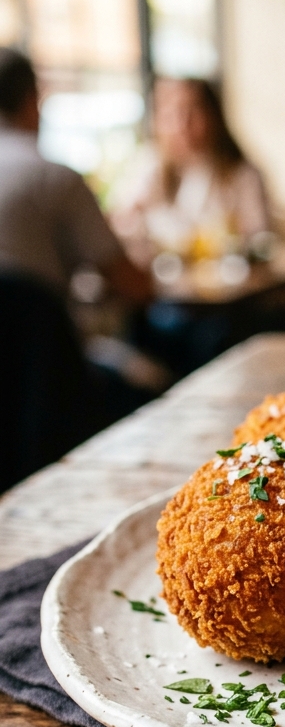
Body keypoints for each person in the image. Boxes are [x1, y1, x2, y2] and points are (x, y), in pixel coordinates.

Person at [0, 48, 152, 492]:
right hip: (48, 393)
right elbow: (134, 285)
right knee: (146, 387)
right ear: (33, 100)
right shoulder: (53, 177)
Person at [112, 78, 271, 265]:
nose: (182, 124)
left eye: (192, 111)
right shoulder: (150, 165)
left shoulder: (241, 174)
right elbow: (122, 223)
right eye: (171, 113)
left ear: (214, 116)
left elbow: (259, 241)